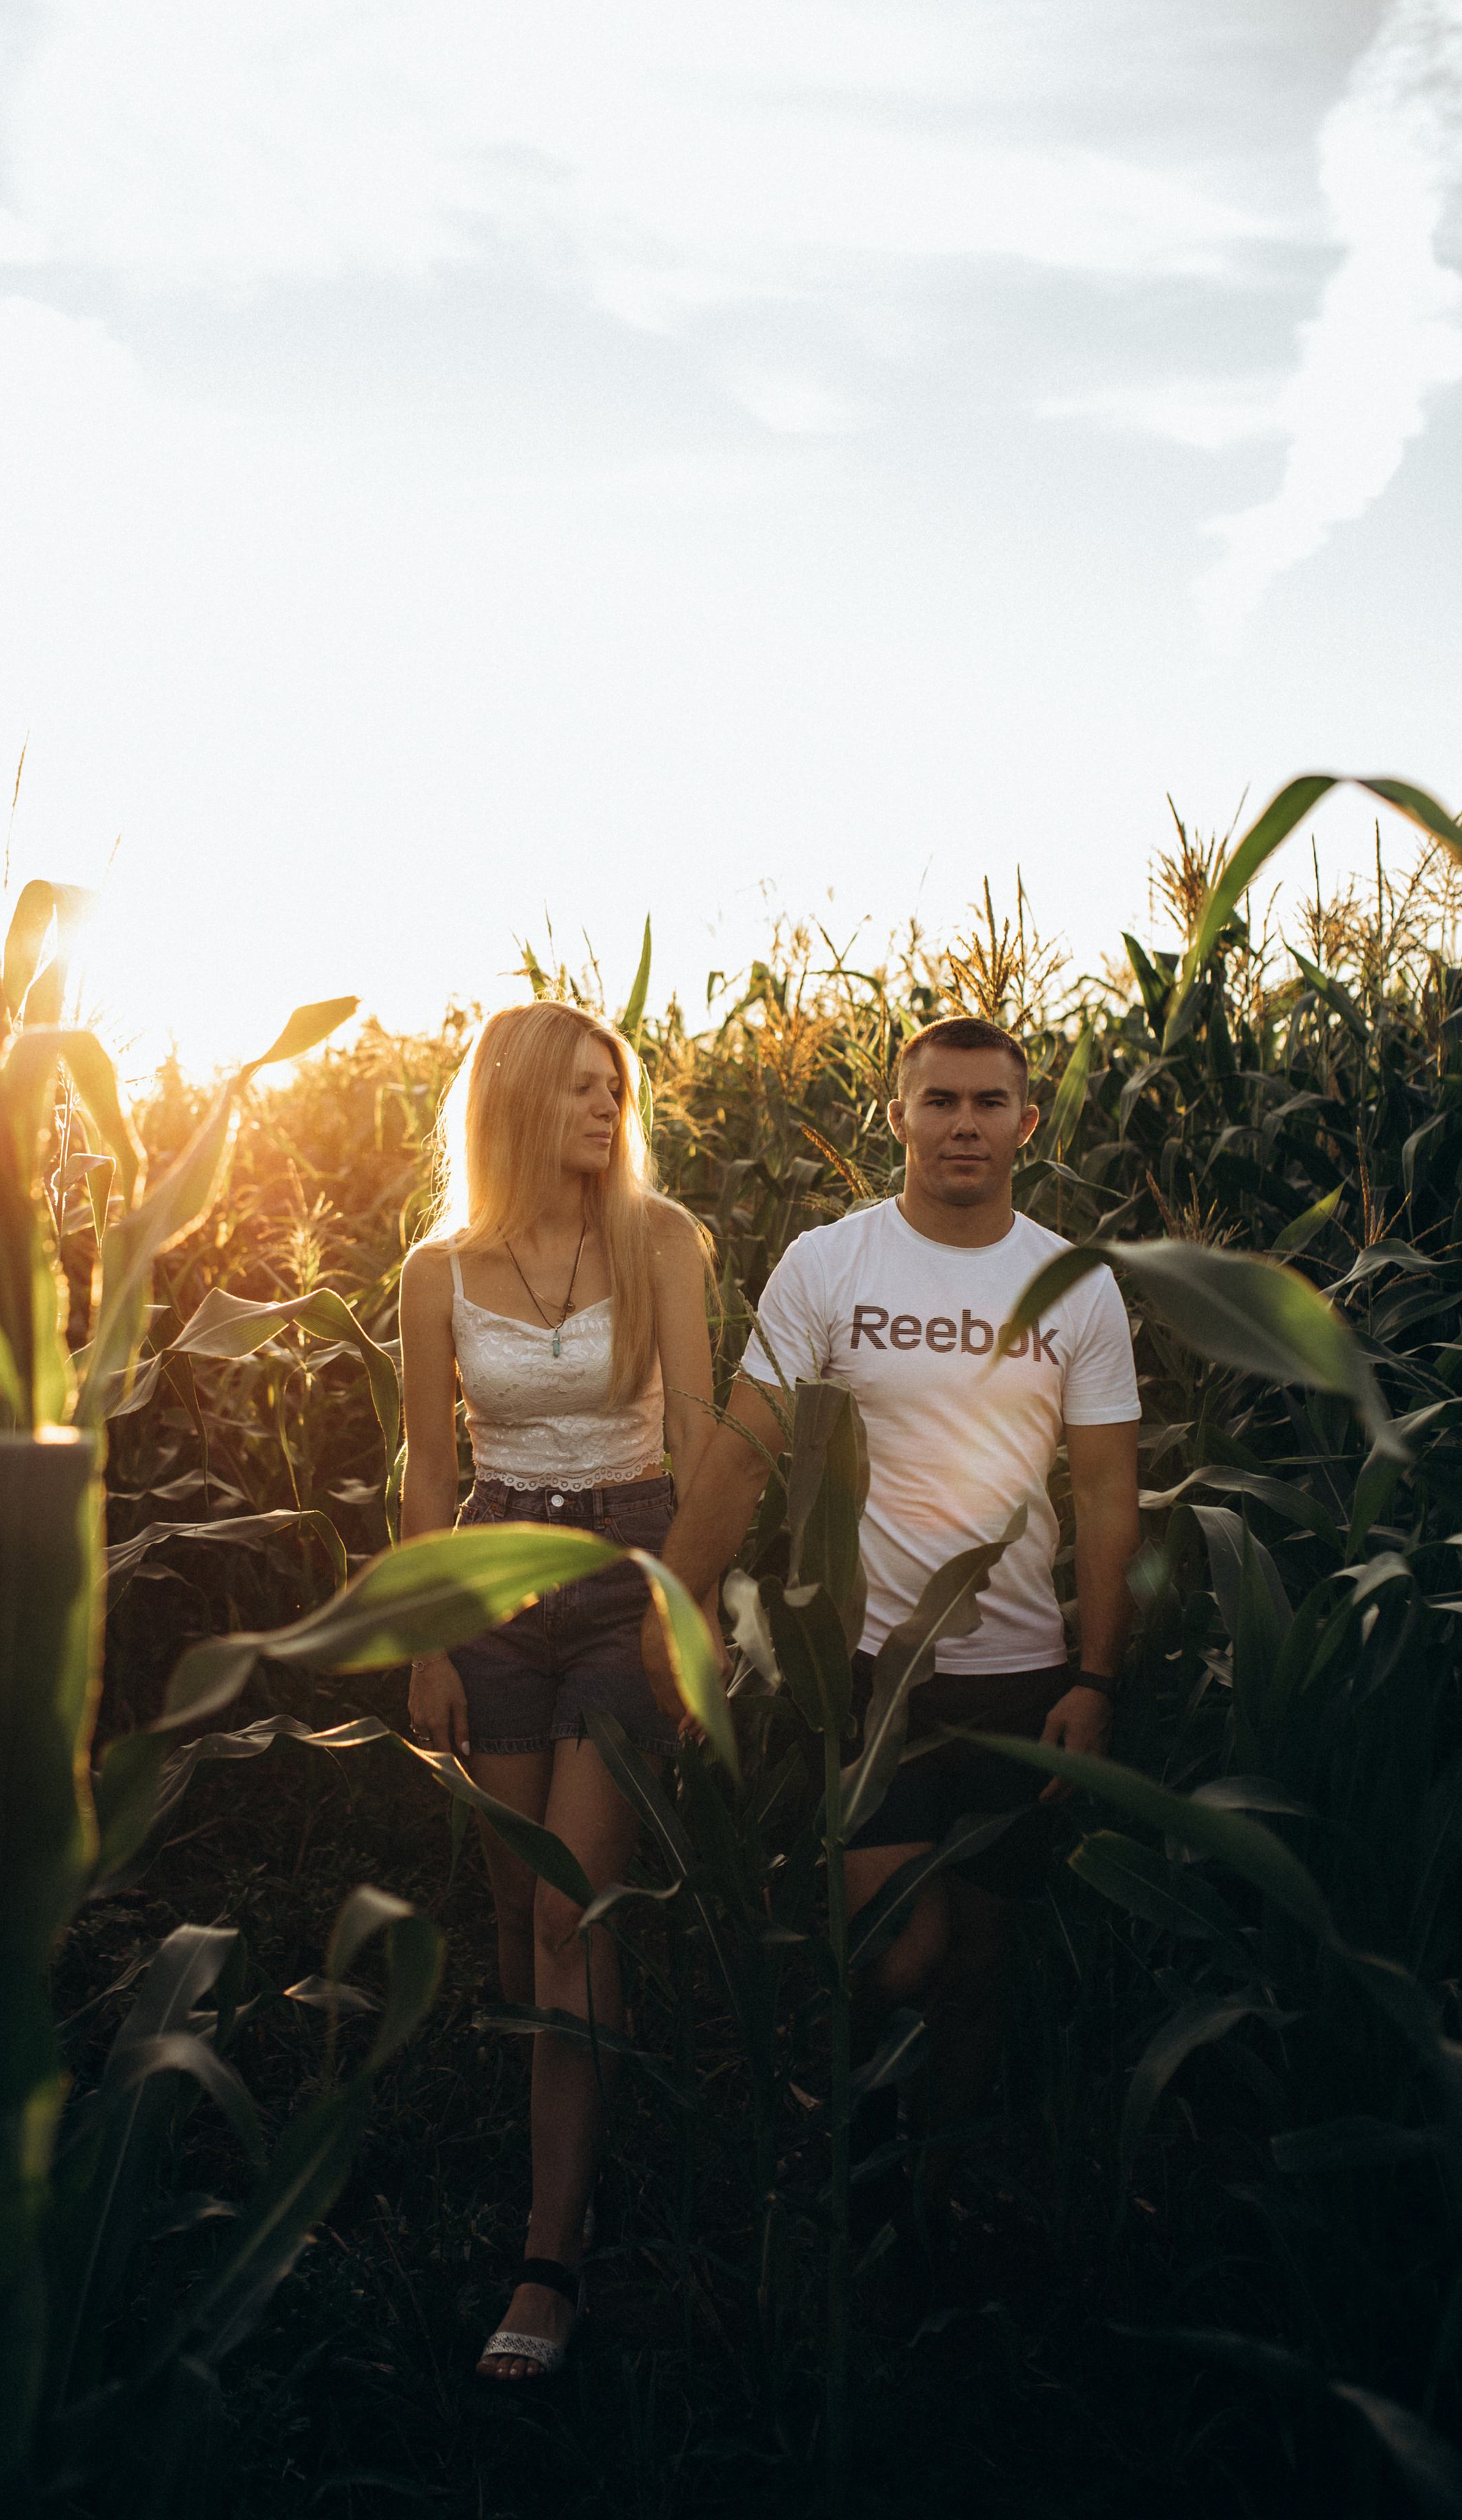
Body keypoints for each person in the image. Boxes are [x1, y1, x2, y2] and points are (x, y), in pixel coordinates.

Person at [640, 1013, 1139, 2277]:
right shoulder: (830, 1263)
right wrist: (683, 1607)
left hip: (1022, 1670)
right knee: (900, 1952)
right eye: (939, 1102)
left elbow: (1106, 1496)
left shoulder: (1074, 1281)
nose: (963, 1125)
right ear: (899, 1116)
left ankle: (936, 2181)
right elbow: (744, 1446)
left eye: (988, 1103)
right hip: (864, 1669)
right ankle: (859, 2112)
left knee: (979, 1958)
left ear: (1029, 1123)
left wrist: (1094, 1675)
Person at [399, 999, 717, 2379]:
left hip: (628, 1571)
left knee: (561, 1910)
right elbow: (422, 1468)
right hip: (485, 1590)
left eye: (614, 1087)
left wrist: (689, 1620)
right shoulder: (435, 1268)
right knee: (520, 1923)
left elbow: (702, 1439)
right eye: (582, 1088)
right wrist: (421, 1639)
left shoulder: (660, 1239)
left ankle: (549, 2260)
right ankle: (595, 2115)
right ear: (519, 1100)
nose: (609, 1108)